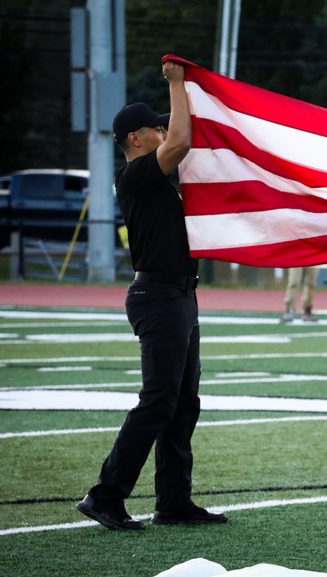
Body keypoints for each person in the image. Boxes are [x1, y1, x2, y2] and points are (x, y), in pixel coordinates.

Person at [76, 60, 226, 530]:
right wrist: (178, 85)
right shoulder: (137, 173)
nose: (165, 132)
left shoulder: (150, 177)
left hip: (178, 295)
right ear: (136, 139)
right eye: (156, 128)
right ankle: (105, 495)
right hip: (158, 295)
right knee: (159, 399)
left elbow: (180, 141)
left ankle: (173, 501)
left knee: (182, 403)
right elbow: (181, 141)